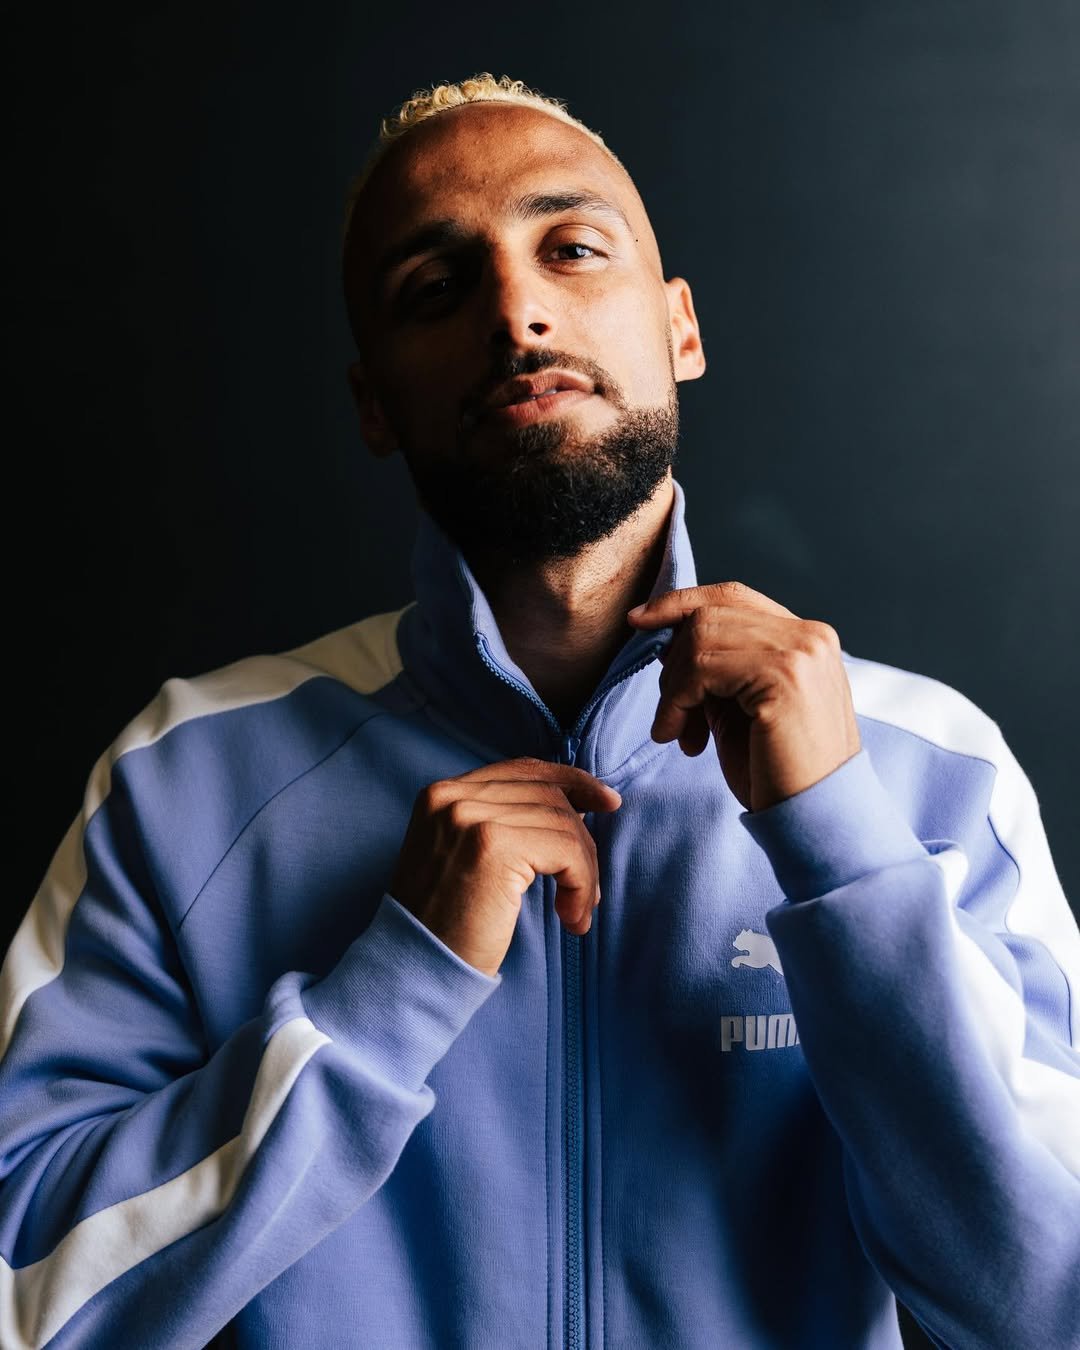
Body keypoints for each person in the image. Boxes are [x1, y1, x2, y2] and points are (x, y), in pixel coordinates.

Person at [1, 70, 1077, 1350]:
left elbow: (1046, 1310)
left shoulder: (930, 770)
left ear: (679, 326)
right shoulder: (184, 777)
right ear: (372, 405)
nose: (517, 311)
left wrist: (843, 842)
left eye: (571, 250)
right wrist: (392, 985)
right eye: (435, 290)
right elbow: (27, 1296)